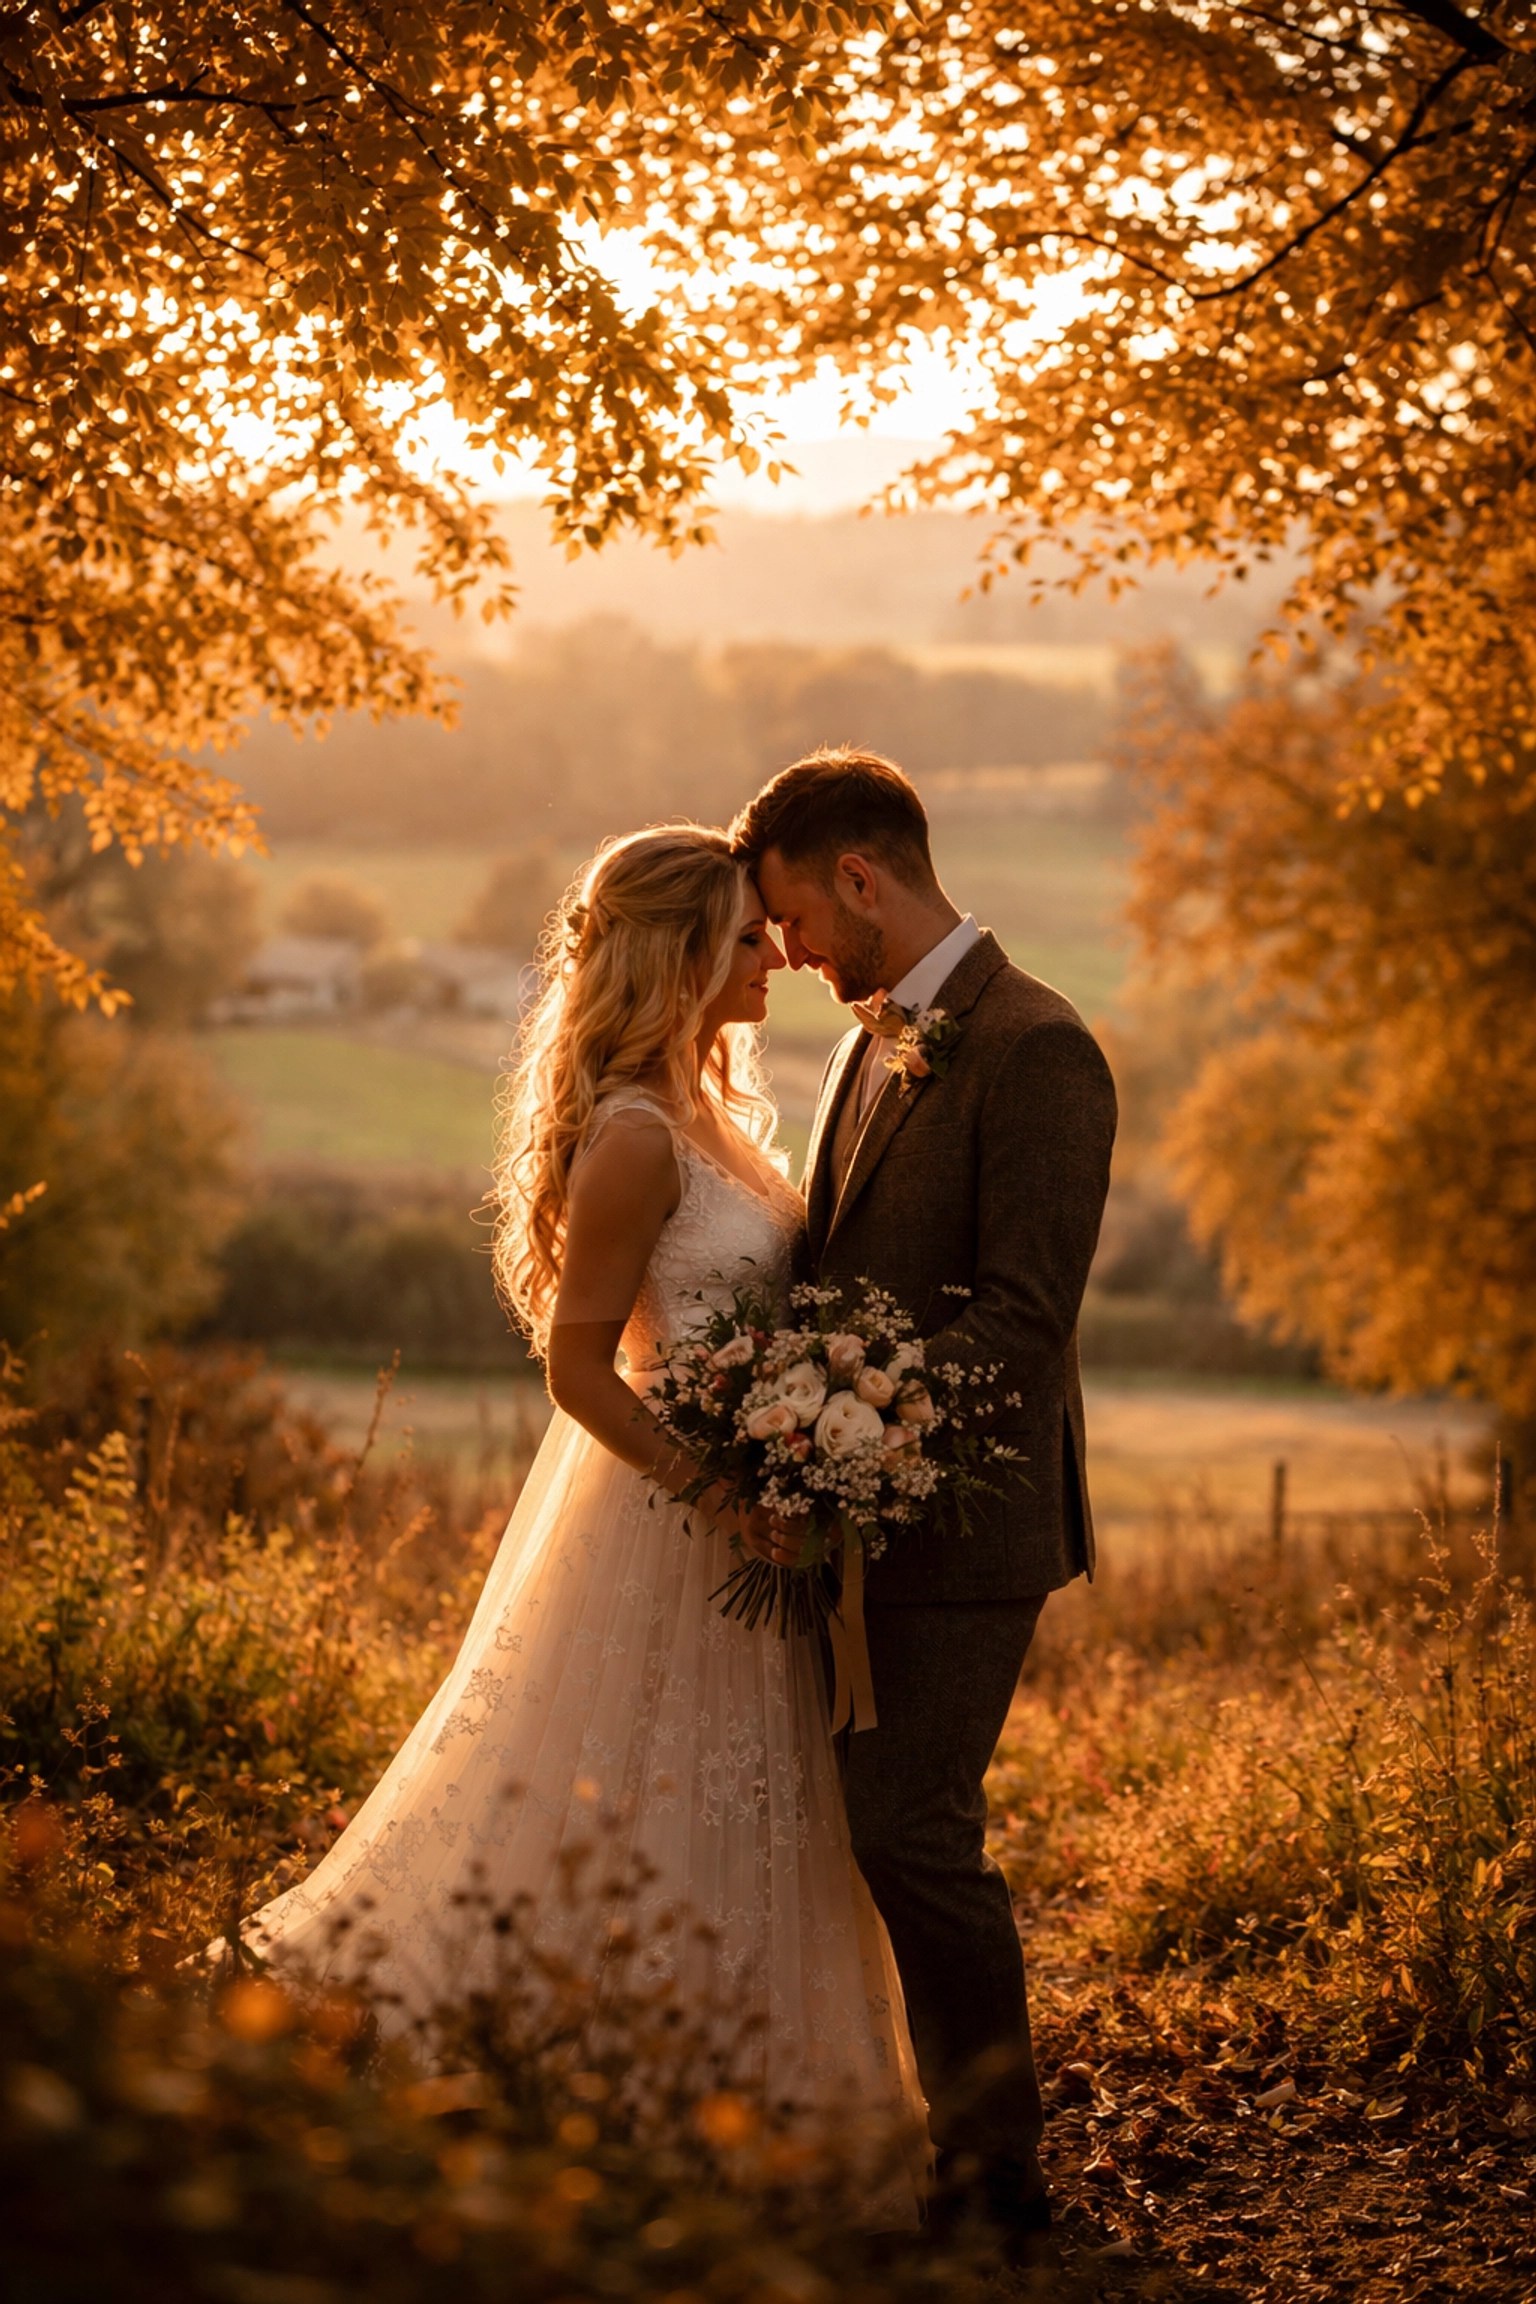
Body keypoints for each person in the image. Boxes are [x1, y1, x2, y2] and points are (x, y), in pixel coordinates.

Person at [235, 824, 924, 2207]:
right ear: (680, 956)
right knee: (631, 1784)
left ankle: (756, 2089)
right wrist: (723, 1490)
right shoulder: (632, 1137)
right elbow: (579, 1368)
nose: (774, 956)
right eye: (745, 938)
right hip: (670, 1516)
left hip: (756, 1509)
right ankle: (604, 2082)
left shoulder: (719, 1109)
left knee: (753, 1798)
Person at [733, 748, 1117, 2262]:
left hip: (968, 1529)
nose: (790, 955)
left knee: (914, 1833)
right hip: (853, 1513)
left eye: (796, 921)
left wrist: (839, 1421)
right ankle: (908, 2118)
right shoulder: (867, 1042)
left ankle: (997, 2170)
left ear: (861, 878)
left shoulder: (1038, 1048)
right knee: (872, 1826)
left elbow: (1023, 1318)